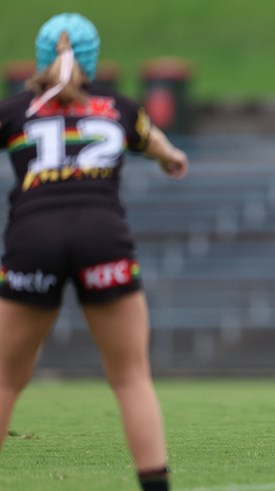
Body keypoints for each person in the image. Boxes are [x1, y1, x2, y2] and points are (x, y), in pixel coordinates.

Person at [0, 13, 188, 491]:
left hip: (32, 238)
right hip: (102, 237)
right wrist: (172, 159)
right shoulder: (119, 108)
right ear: (93, 60)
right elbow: (160, 145)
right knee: (130, 378)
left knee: (5, 380)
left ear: (41, 59)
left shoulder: (15, 109)